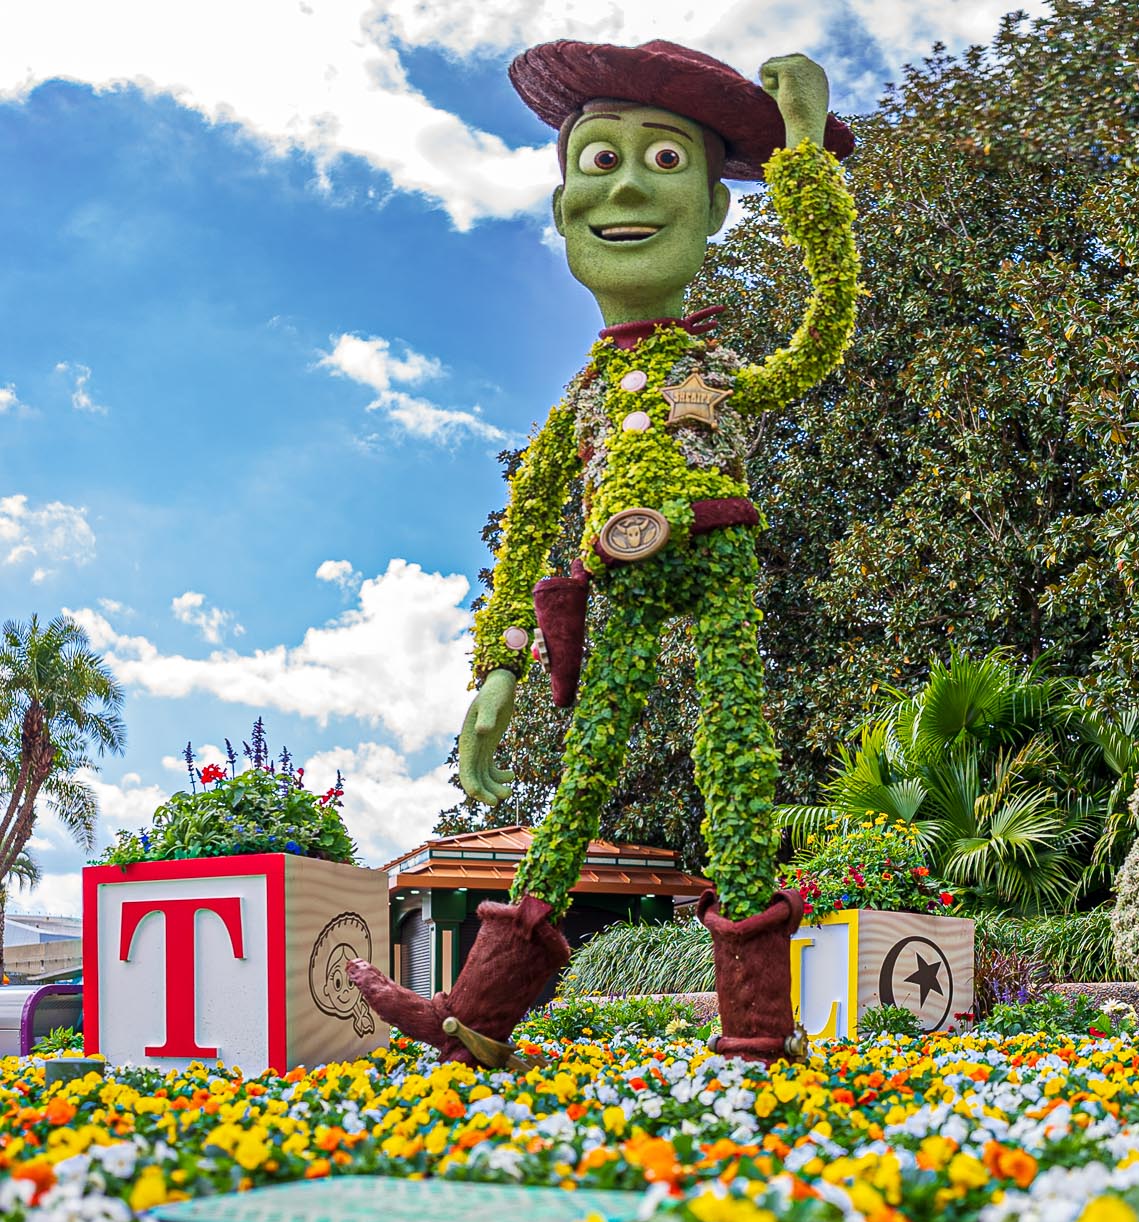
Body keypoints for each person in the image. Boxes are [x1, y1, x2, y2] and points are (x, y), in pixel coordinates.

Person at [347, 39, 861, 1066]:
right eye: (597, 159)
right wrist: (497, 672)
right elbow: (526, 532)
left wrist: (802, 155)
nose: (625, 184)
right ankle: (478, 1014)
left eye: (665, 162)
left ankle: (757, 1026)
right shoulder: (577, 402)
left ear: (716, 209)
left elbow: (822, 329)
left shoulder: (712, 364)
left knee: (736, 777)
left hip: (713, 562)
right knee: (580, 776)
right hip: (616, 588)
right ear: (561, 204)